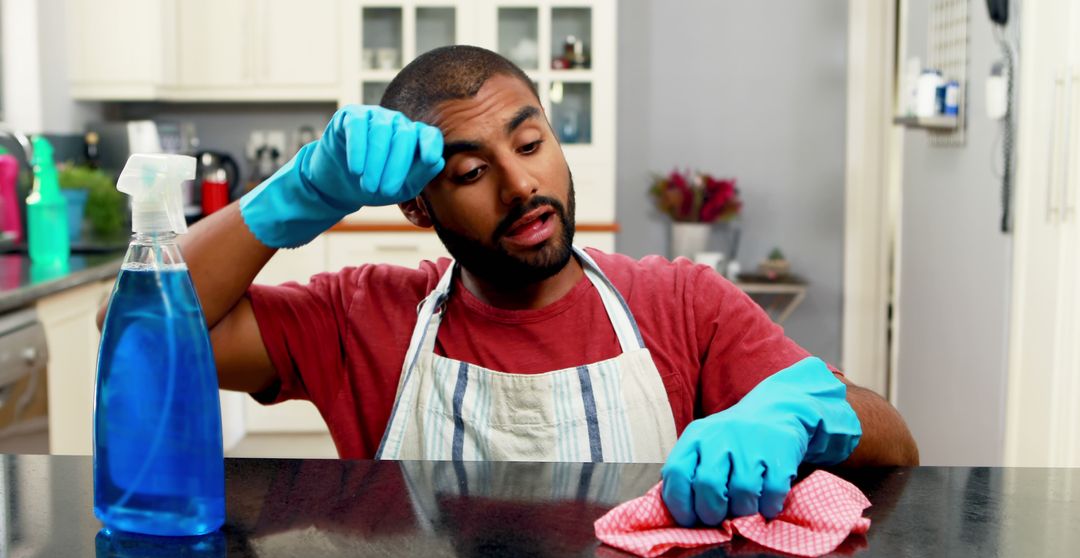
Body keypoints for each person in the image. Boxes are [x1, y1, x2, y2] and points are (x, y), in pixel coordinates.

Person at [98, 46, 918, 528]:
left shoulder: (679, 301)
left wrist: (793, 414)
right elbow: (129, 330)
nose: (522, 185)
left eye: (530, 142)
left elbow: (895, 442)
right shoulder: (364, 316)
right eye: (471, 171)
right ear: (419, 203)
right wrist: (293, 199)